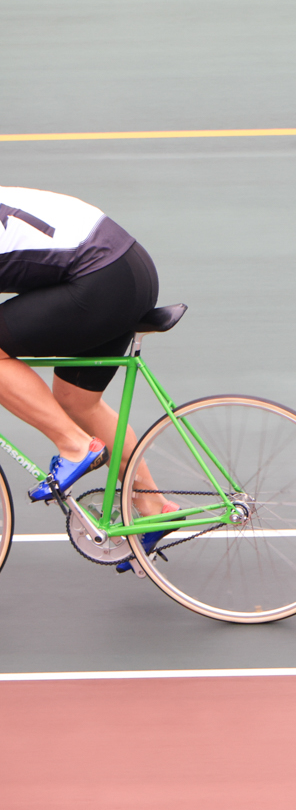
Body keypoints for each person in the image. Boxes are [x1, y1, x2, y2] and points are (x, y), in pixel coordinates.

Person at [0, 186, 177, 550]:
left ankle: (75, 447)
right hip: (126, 268)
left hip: (100, 277)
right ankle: (153, 506)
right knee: (76, 401)